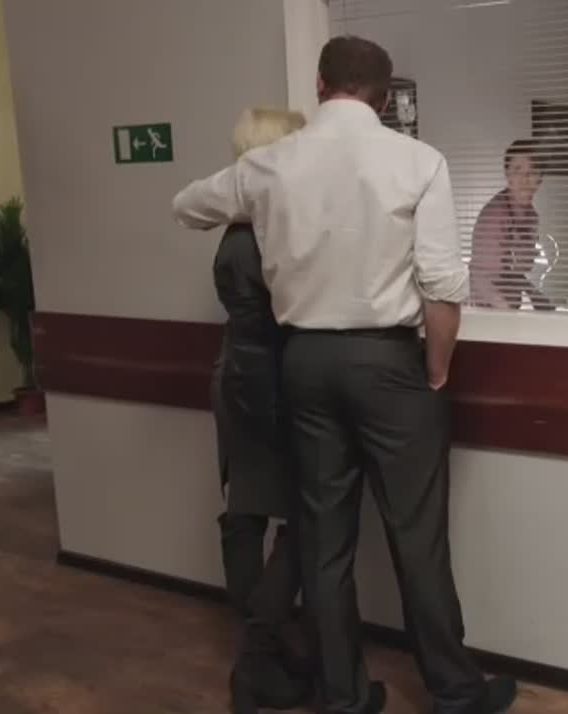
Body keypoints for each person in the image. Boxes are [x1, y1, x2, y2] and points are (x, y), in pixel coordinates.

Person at [173, 35, 517, 714]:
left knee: (324, 541)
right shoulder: (418, 161)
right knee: (416, 537)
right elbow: (443, 286)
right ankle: (454, 693)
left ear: (320, 86)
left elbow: (187, 205)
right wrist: (436, 371)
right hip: (390, 365)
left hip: (302, 364)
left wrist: (261, 205)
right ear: (385, 100)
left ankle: (344, 698)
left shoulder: (270, 165)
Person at [210, 106, 311, 714]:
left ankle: (263, 653)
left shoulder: (238, 222)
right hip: (266, 384)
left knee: (245, 513)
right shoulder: (267, 233)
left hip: (237, 377)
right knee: (304, 518)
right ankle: (259, 655)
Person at [469, 139, 551, 310]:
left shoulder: (531, 216)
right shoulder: (495, 215)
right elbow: (480, 276)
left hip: (508, 304)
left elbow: (515, 269)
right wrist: (506, 311)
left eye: (532, 172)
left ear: (540, 178)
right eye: (517, 170)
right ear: (507, 175)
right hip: (487, 307)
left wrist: (532, 292)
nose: (524, 179)